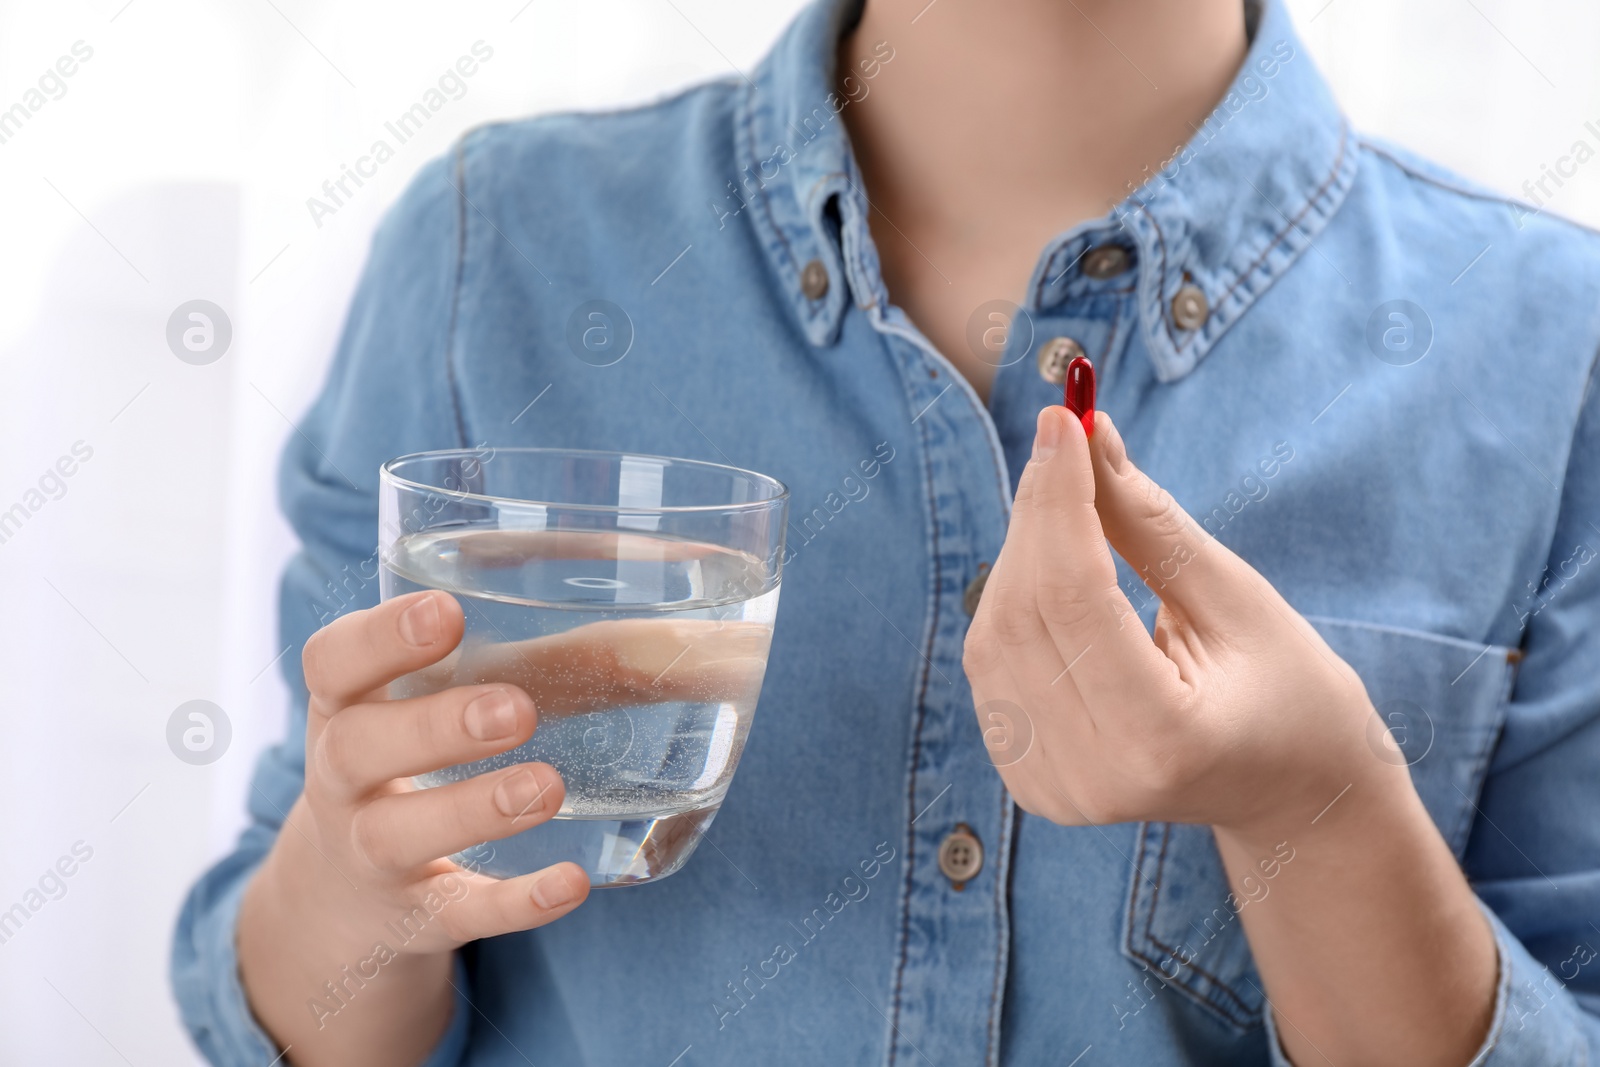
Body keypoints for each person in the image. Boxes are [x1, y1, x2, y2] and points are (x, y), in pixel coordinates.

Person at [172, 0, 1600, 1063]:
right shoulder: (497, 255)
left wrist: (1320, 806)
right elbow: (294, 1004)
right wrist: (356, 883)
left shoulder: (1549, 350)